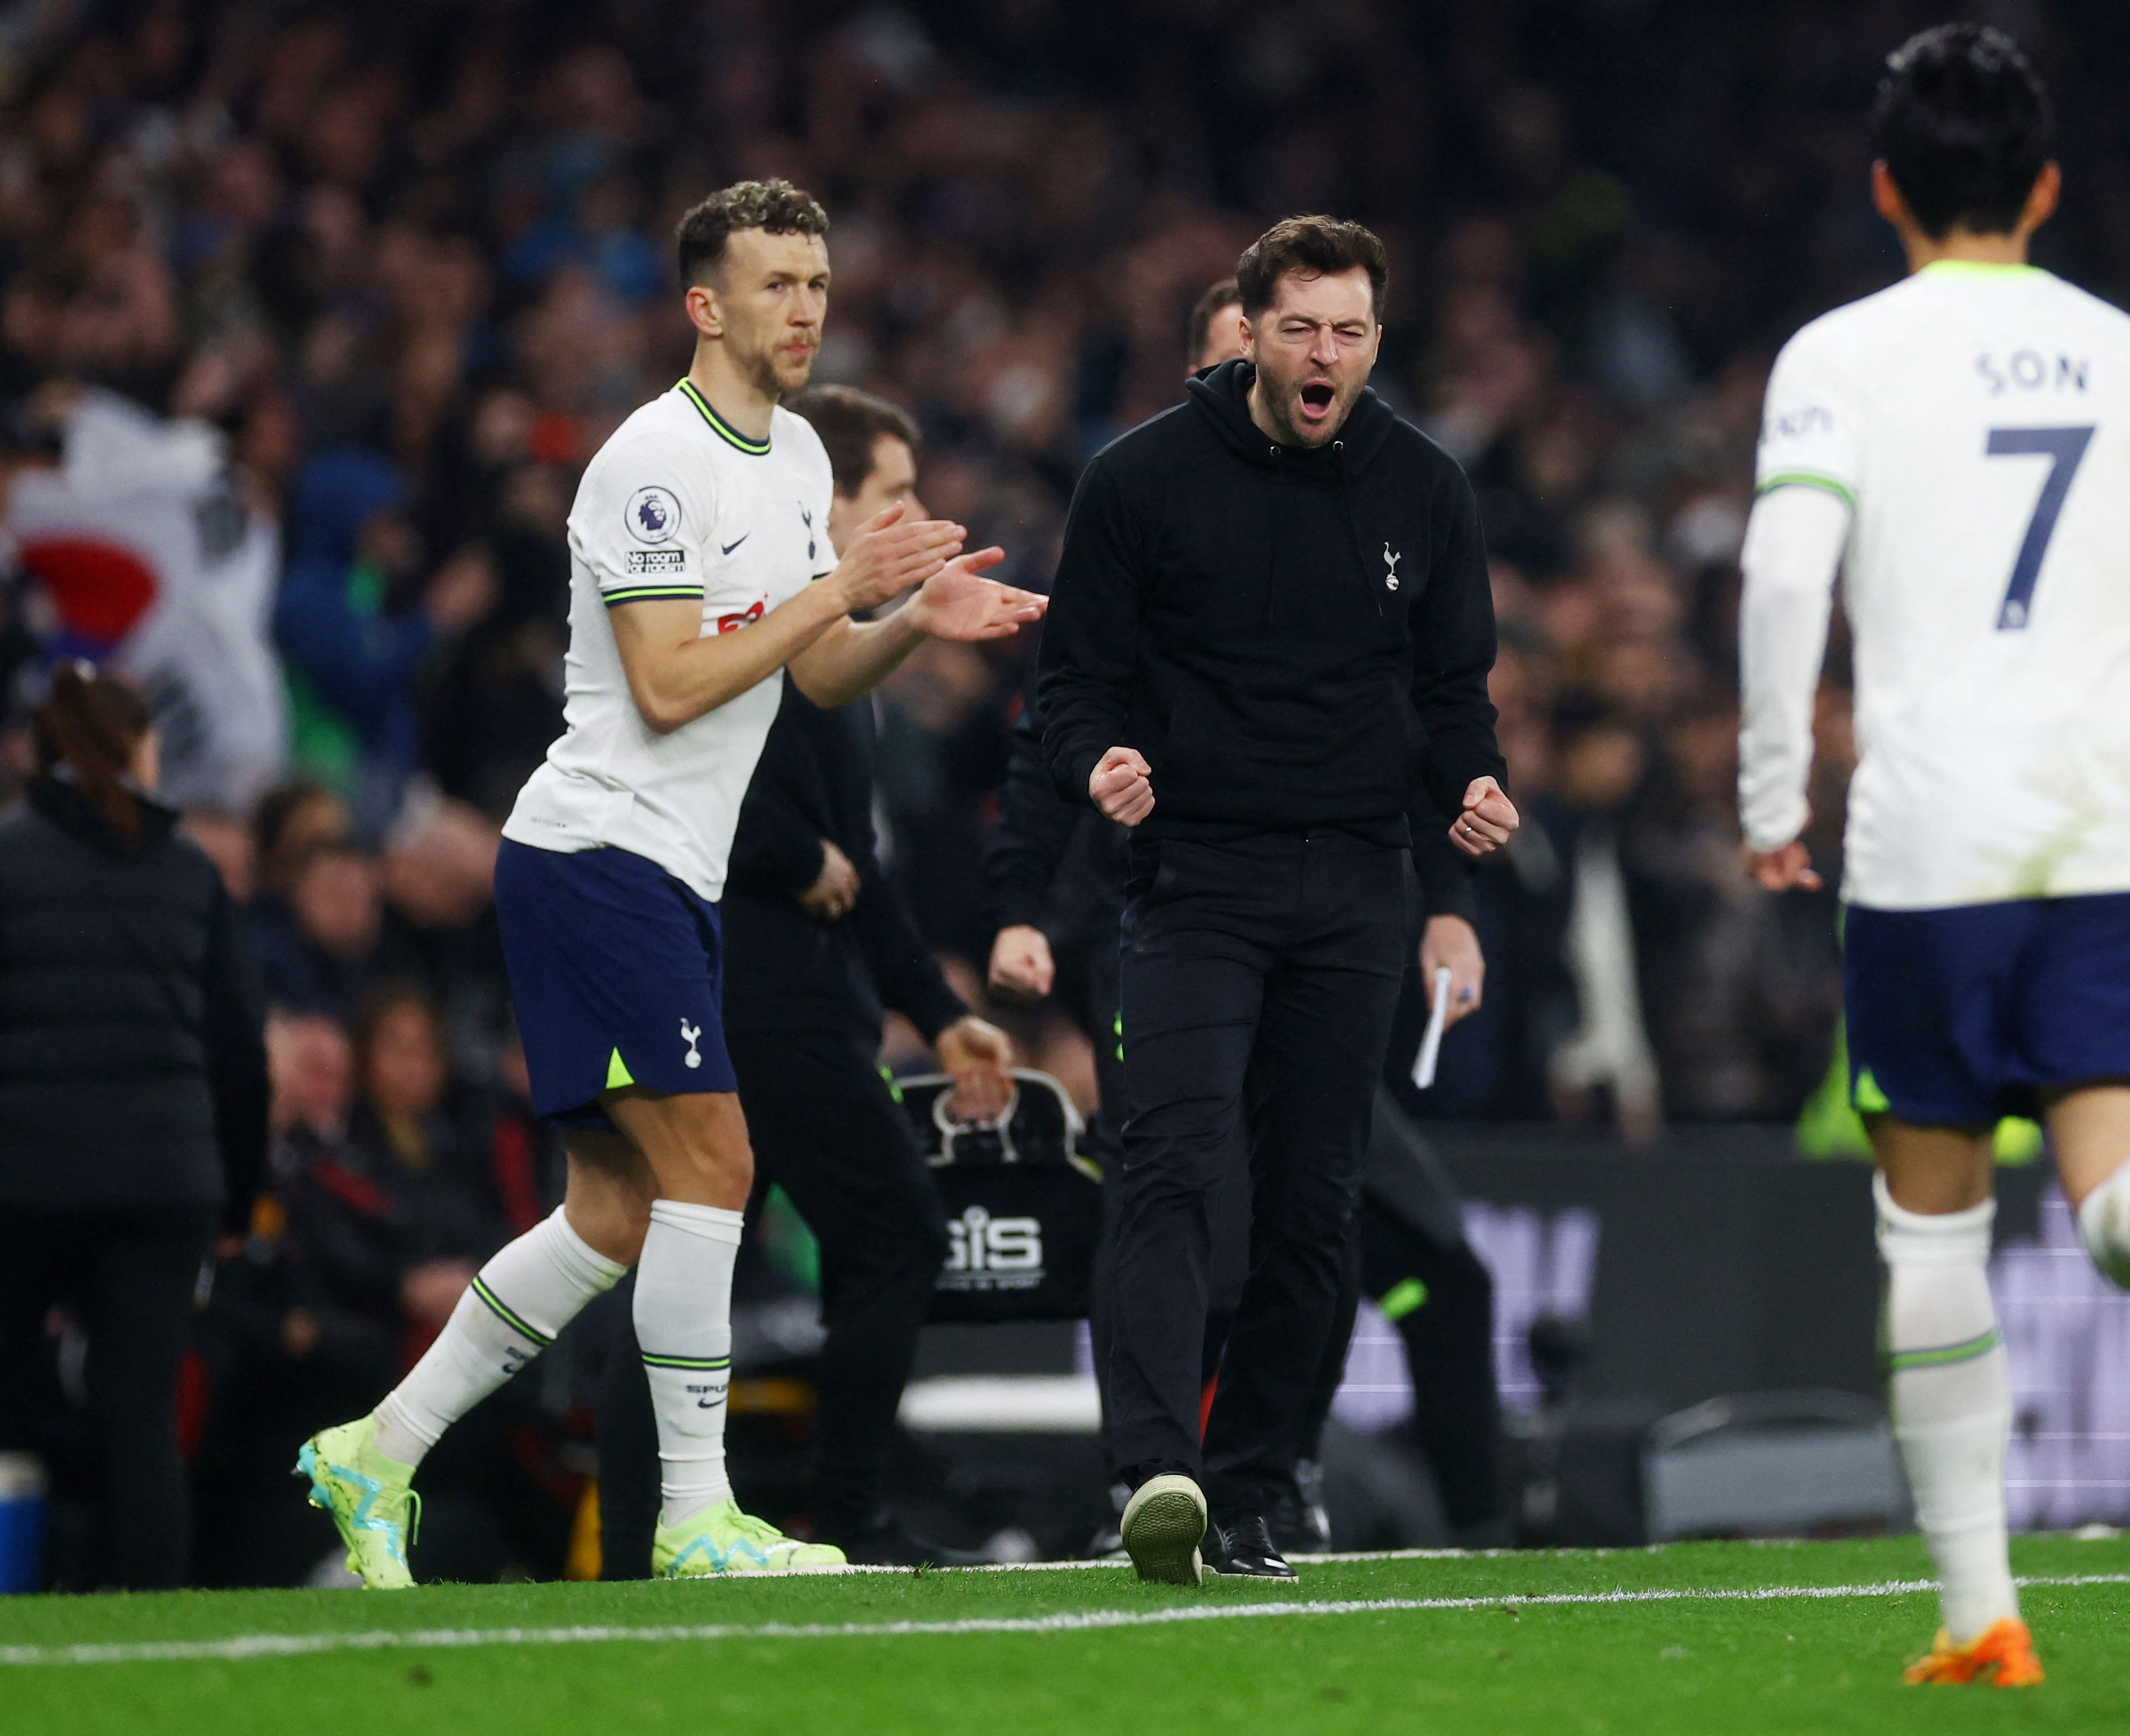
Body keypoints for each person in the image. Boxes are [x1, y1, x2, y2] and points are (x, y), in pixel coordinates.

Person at [295, 178, 1044, 1588]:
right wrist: (838, 590)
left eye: (818, 282)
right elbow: (668, 679)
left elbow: (812, 671)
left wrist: (901, 622)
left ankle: (376, 1452)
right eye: (777, 284)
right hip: (598, 853)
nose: (807, 307)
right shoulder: (651, 459)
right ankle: (696, 1519)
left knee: (615, 1215)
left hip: (662, 873)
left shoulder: (793, 460)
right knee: (720, 1161)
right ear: (705, 305)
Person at [1736, 27, 2130, 1686]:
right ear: (2043, 187)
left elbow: (1779, 577)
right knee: (2116, 1178)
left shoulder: (1839, 354)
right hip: (2114, 823)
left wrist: (1774, 795)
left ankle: (1983, 1612)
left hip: (1933, 842)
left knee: (1936, 1236)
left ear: (1885, 185)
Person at [1035, 217, 1516, 1583]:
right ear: (1248, 331)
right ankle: (1149, 1470)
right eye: (1301, 328)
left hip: (1356, 888)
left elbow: (1449, 698)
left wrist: (1470, 797)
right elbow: (1070, 684)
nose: (1326, 355)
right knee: (1176, 1173)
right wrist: (1098, 762)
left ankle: (1250, 1487)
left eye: (1350, 332)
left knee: (1319, 1206)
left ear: (1377, 341)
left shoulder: (1425, 489)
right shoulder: (1139, 481)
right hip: (1194, 883)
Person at [591, 382, 1018, 1572]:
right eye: (892, 491)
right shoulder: (745, 620)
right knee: (894, 1238)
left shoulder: (829, 651)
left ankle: (641, 1546)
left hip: (759, 989)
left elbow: (859, 863)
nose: (917, 511)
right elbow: (672, 771)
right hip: (755, 991)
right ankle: (848, 1515)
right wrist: (797, 855)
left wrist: (940, 1016)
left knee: (686, 1265)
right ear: (823, 504)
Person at [0, 664, 269, 1590]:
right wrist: (237, 1198)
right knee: (142, 1418)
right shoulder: (191, 871)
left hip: (22, 1181)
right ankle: (149, 1617)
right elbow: (241, 1052)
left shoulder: (7, 856)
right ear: (138, 750)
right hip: (165, 1185)